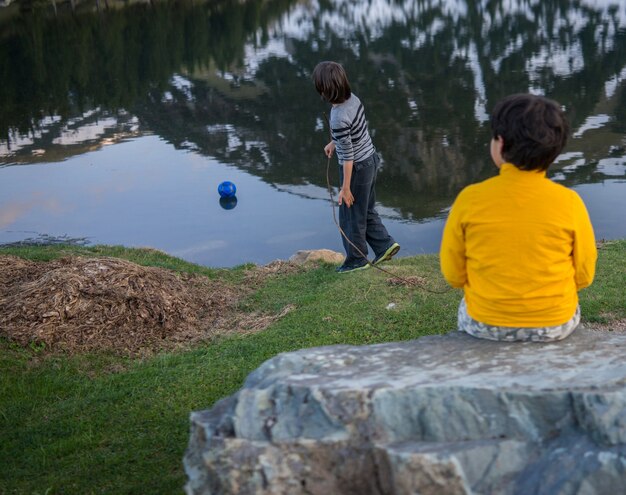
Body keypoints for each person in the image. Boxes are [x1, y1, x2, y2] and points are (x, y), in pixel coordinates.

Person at [440, 93, 597, 342]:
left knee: (466, 307)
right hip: (555, 323)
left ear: (499, 144)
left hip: (485, 323)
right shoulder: (570, 202)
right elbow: (585, 274)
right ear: (554, 151)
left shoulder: (470, 199)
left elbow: (453, 275)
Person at [312, 61, 400, 273]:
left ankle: (356, 260)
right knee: (365, 210)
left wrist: (345, 187)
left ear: (325, 90)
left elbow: (349, 155)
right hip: (370, 159)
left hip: (357, 168)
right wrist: (335, 142)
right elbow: (354, 132)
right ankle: (385, 245)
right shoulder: (353, 100)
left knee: (350, 216)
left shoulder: (338, 117)